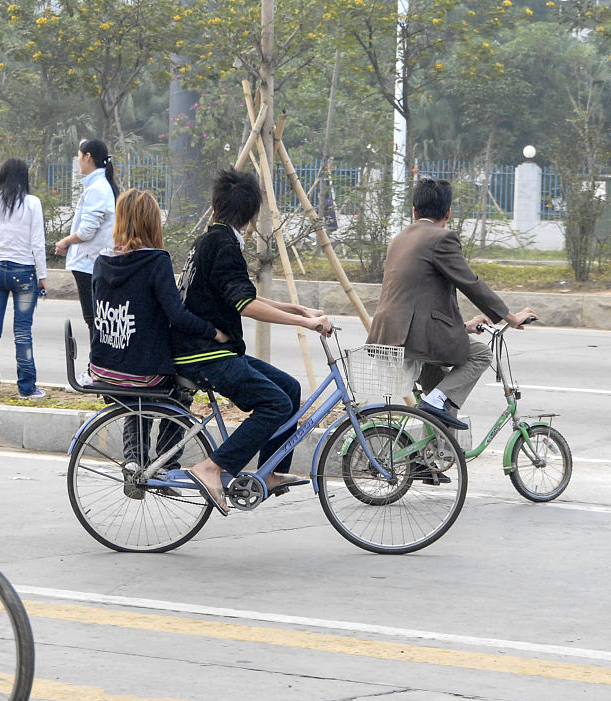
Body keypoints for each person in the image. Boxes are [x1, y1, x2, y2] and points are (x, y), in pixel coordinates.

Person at [172, 167, 333, 514]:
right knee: (274, 404)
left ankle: (271, 471)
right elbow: (246, 306)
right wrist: (306, 324)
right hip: (205, 355)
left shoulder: (212, 239)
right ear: (251, 213)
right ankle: (211, 468)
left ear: (218, 205)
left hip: (210, 350)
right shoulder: (224, 245)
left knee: (288, 389)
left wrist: (299, 309)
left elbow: (241, 296)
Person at [367, 178, 536, 431]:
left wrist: (463, 327)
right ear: (448, 213)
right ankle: (434, 405)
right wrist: (510, 317)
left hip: (388, 336)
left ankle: (426, 464)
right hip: (416, 339)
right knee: (480, 356)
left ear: (414, 211)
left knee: (444, 395)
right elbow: (470, 282)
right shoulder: (441, 238)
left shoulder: (399, 239)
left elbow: (418, 296)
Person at [89, 188, 228, 483]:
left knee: (135, 393)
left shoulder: (101, 262)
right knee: (182, 389)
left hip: (103, 368)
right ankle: (165, 463)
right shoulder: (156, 262)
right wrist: (212, 332)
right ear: (152, 223)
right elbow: (176, 315)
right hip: (141, 373)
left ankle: (134, 460)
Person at [0, 158, 47, 399]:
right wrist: (43, 276)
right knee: (23, 332)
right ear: (23, 177)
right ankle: (26, 388)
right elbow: (37, 242)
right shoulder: (32, 203)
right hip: (24, 272)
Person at [56, 138, 118, 345]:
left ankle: (96, 367)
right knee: (97, 319)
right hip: (92, 260)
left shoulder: (97, 188)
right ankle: (98, 366)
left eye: (79, 156)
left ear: (88, 157)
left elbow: (87, 231)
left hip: (89, 263)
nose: (79, 160)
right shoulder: (100, 185)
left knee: (94, 319)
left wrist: (65, 241)